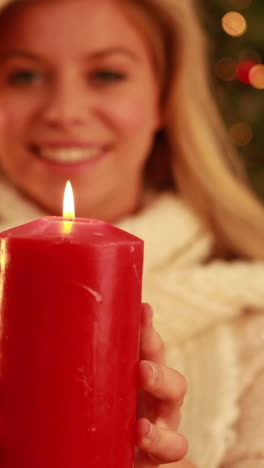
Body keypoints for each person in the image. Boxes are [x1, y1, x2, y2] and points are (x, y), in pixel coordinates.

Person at [0, 0, 263, 467]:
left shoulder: (251, 330)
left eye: (106, 75)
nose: (64, 111)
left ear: (164, 98)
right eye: (24, 75)